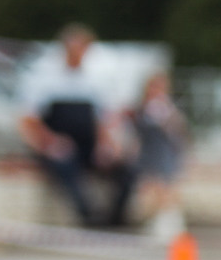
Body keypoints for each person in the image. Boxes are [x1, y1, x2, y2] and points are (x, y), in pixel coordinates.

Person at [17, 24, 137, 229]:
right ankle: (88, 216)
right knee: (66, 166)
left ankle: (117, 219)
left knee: (128, 170)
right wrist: (51, 142)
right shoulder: (43, 73)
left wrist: (106, 145)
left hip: (87, 144)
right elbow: (29, 118)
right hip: (58, 144)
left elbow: (103, 117)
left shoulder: (95, 75)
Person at [131, 72, 189, 240]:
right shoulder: (142, 108)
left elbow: (179, 132)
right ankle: (158, 222)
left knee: (166, 188)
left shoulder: (169, 108)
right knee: (150, 190)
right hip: (149, 152)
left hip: (164, 152)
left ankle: (170, 225)